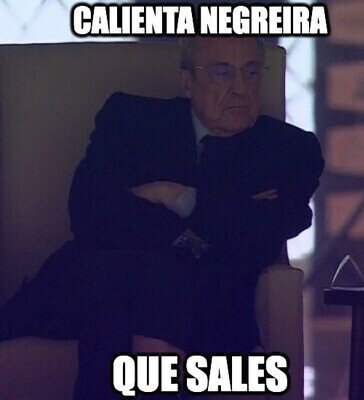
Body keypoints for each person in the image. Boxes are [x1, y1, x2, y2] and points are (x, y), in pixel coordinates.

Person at [0, 36, 324, 400]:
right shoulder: (132, 121)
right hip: (86, 283)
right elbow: (88, 212)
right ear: (187, 80)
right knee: (141, 276)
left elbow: (269, 230)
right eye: (222, 73)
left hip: (193, 301)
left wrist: (175, 196)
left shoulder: (289, 149)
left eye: (251, 72)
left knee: (139, 289)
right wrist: (212, 224)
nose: (240, 88)